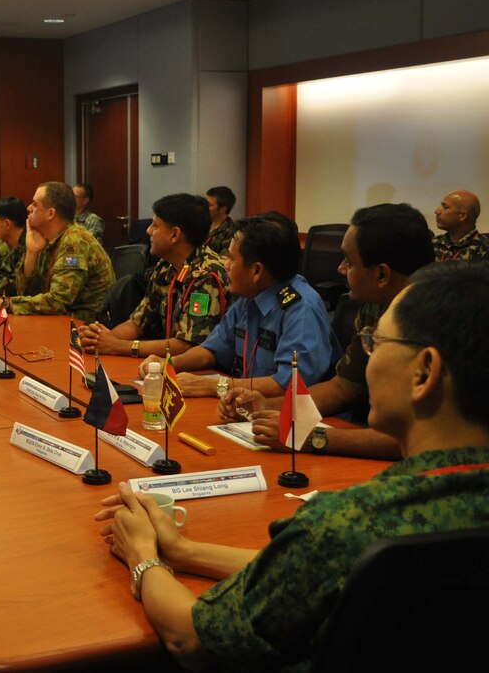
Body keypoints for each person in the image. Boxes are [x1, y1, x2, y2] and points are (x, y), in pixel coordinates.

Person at [94, 261, 489, 672]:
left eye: (376, 342)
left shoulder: (345, 525)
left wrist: (143, 555)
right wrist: (180, 549)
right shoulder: (369, 532)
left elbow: (191, 638)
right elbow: (316, 567)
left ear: (424, 371)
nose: (366, 357)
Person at [222, 203, 434, 460]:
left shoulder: (436, 322)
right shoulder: (375, 307)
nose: (340, 270)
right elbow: (345, 386)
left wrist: (312, 437)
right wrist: (270, 406)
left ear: (381, 274)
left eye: (348, 261)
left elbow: (422, 437)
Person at [139, 212, 339, 398]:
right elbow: (212, 350)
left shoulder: (300, 309)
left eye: (232, 259)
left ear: (256, 271)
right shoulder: (249, 296)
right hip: (248, 406)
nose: (225, 265)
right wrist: (168, 364)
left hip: (303, 423)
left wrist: (214, 386)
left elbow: (289, 386)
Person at [79, 193, 228, 359]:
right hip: (167, 363)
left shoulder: (206, 275)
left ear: (175, 235)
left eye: (155, 226)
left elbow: (189, 345)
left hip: (200, 372)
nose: (148, 231)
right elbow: (137, 323)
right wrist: (101, 340)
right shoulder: (166, 266)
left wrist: (119, 346)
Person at [0, 181, 114, 323]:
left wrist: (5, 305)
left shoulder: (74, 243)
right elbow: (25, 292)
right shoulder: (47, 239)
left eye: (35, 204)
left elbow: (58, 302)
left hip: (86, 326)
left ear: (50, 213)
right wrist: (31, 253)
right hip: (60, 320)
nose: (28, 208)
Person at [432, 189, 488, 261]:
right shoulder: (432, 243)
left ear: (462, 216)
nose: (437, 211)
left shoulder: (485, 248)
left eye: (445, 207)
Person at [203, 185, 236, 257]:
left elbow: (224, 260)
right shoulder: (201, 223)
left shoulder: (230, 231)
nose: (204, 206)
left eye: (209, 205)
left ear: (223, 209)